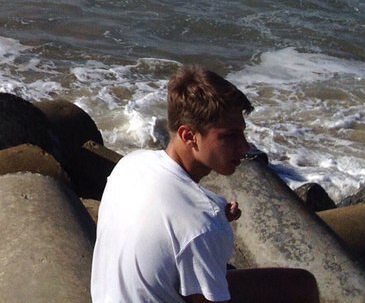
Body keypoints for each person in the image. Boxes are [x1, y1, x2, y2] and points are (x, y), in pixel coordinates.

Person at [91, 65, 319, 303]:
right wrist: (210, 227)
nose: (244, 147)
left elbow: (169, 220)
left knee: (297, 284)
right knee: (302, 287)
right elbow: (193, 226)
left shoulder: (131, 164)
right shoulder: (201, 224)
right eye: (229, 136)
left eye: (242, 133)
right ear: (189, 136)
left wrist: (212, 219)